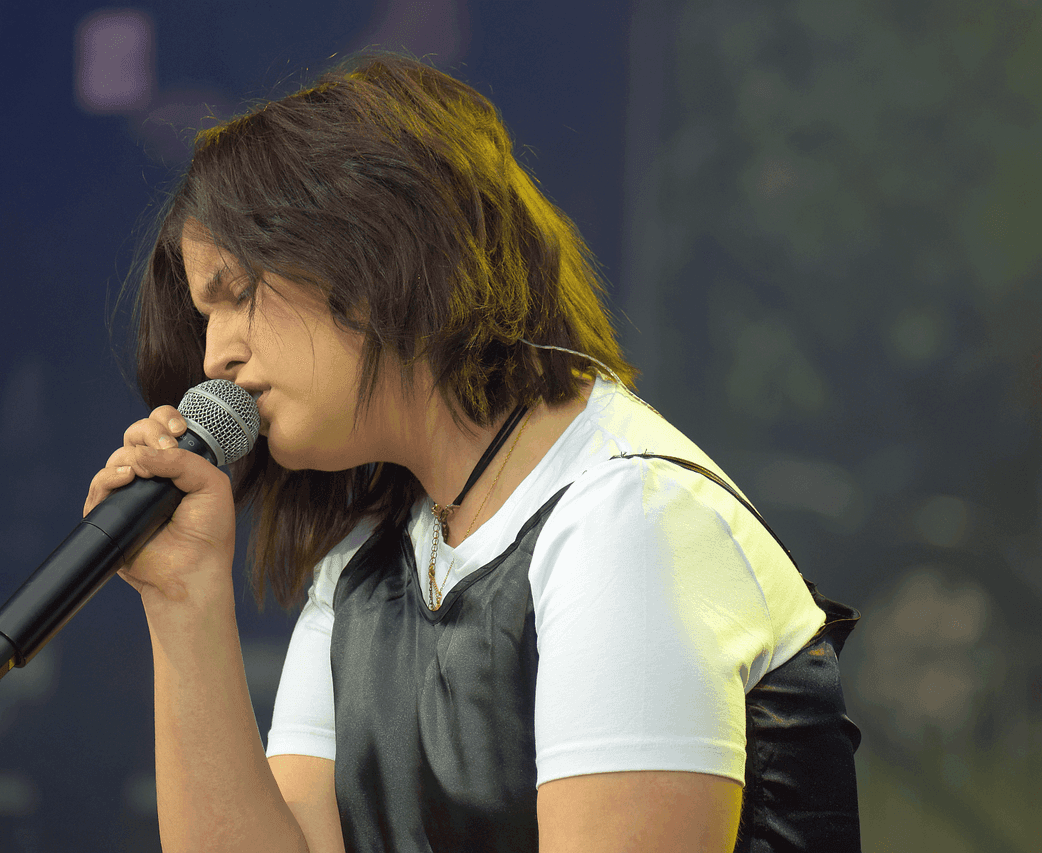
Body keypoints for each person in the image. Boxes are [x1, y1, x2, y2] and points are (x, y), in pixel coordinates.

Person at [86, 51, 862, 853]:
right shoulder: (365, 565)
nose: (214, 356)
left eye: (239, 294)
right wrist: (184, 601)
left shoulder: (627, 521)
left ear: (370, 247)